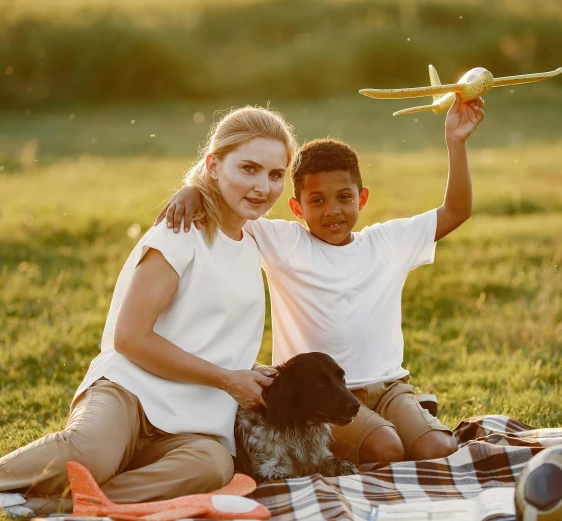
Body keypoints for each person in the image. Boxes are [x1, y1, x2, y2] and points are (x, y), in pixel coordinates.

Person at [0, 106, 297, 519]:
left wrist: (247, 371)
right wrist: (228, 379)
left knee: (212, 466)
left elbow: (209, 332)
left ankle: (30, 504)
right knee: (92, 453)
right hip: (130, 390)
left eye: (275, 175)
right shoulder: (182, 231)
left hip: (195, 421)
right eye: (248, 168)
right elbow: (130, 337)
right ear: (213, 165)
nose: (262, 186)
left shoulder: (256, 239)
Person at [156, 93, 485, 469]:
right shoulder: (283, 242)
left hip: (390, 386)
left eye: (344, 197)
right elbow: (229, 199)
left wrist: (456, 143)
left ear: (362, 198)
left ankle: (412, 413)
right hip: (318, 397)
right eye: (317, 201)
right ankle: (382, 431)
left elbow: (456, 210)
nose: (332, 211)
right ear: (297, 208)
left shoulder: (387, 242)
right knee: (387, 449)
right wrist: (194, 189)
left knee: (438, 450)